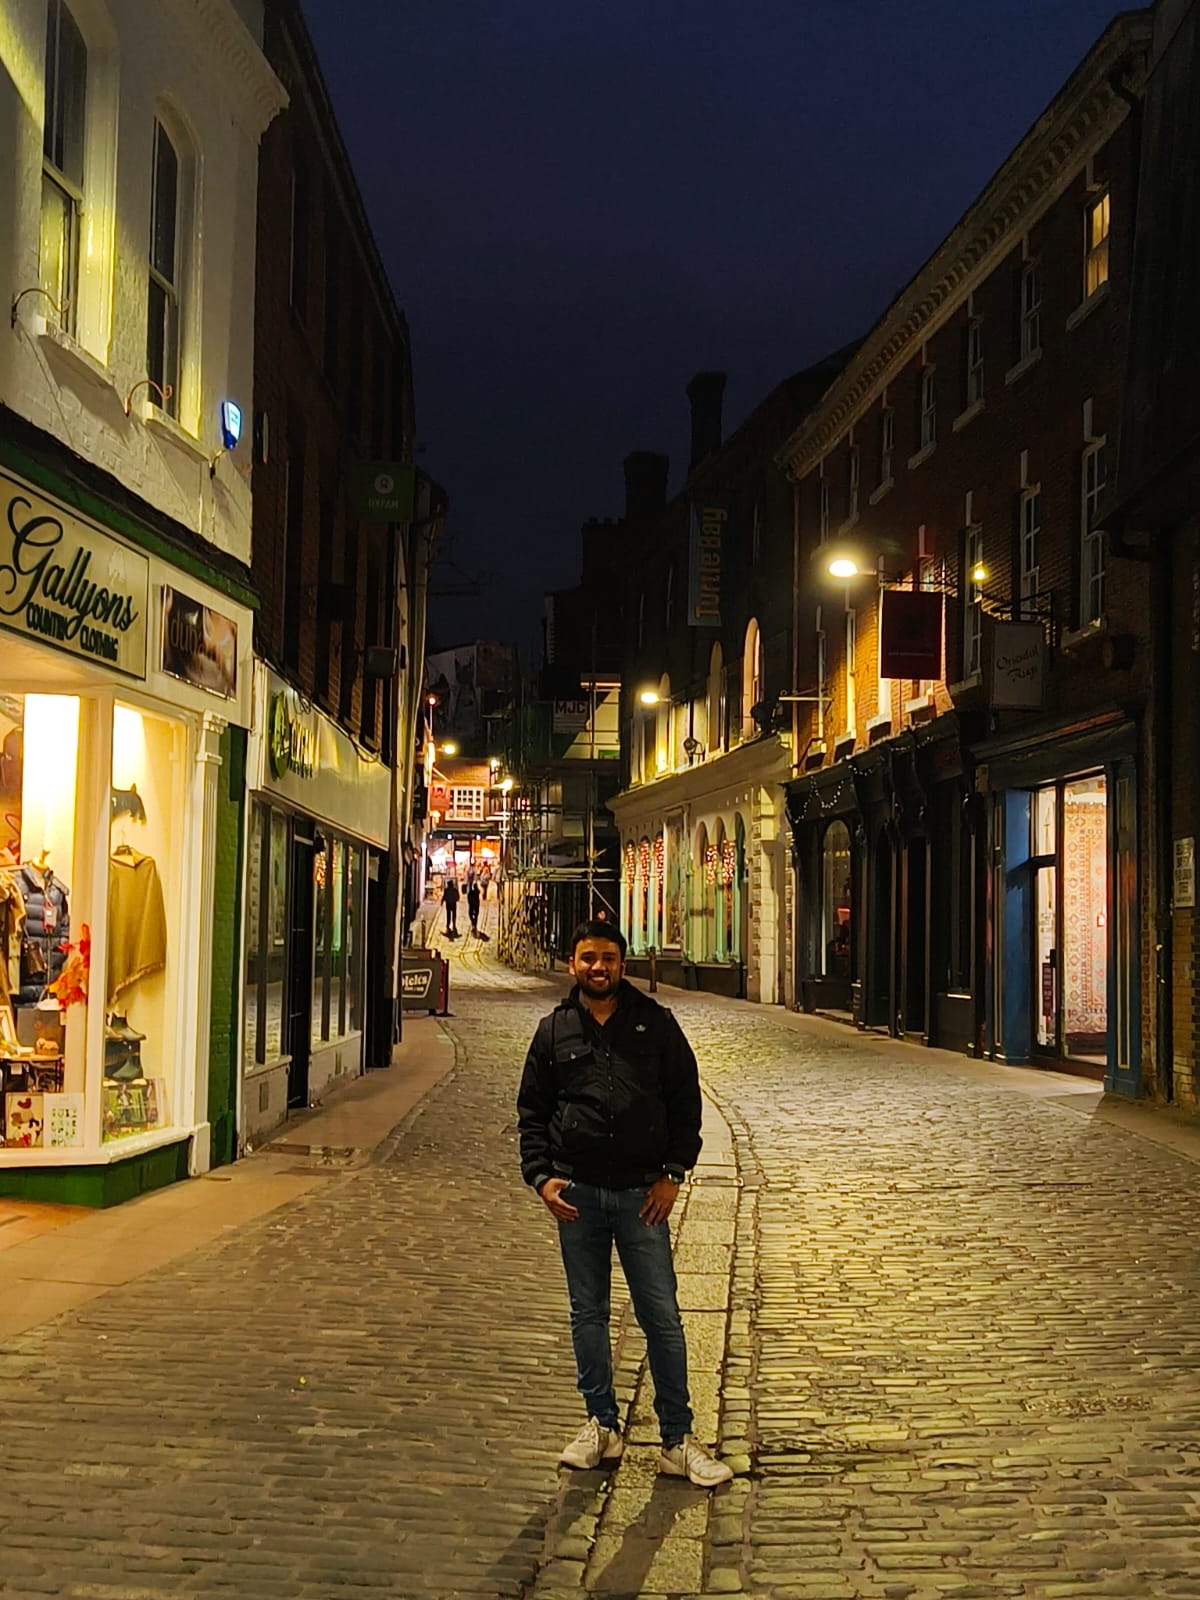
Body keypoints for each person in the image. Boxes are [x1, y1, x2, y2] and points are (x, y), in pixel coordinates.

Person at [517, 919, 733, 1488]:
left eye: (608, 958)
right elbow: (532, 1111)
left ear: (622, 963)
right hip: (578, 1195)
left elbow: (685, 1103)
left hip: (642, 1196)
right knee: (587, 1314)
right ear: (573, 964)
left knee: (660, 1316)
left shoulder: (656, 1024)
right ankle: (601, 1425)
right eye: (589, 958)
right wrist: (540, 1177)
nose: (599, 967)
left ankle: (676, 1439)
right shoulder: (554, 1031)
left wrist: (674, 1174)